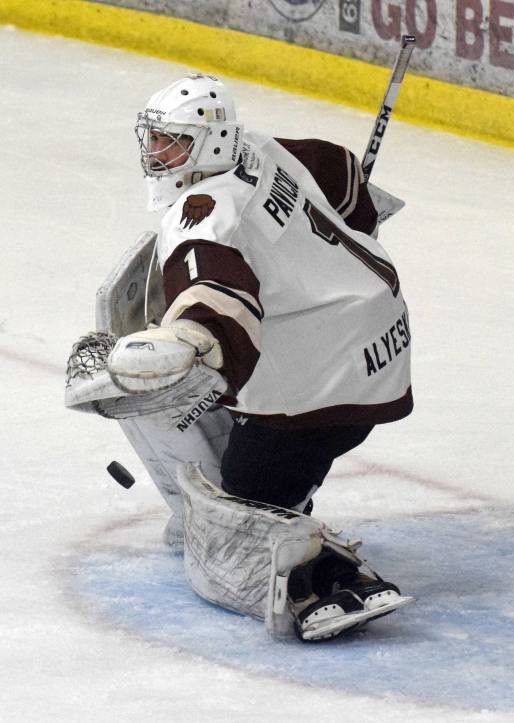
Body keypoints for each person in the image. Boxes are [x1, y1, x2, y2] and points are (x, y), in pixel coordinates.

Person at [67, 72, 414, 641]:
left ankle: (326, 573)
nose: (157, 153)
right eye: (154, 139)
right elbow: (342, 172)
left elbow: (219, 298)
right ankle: (293, 499)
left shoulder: (201, 215)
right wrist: (352, 233)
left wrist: (186, 340)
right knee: (278, 458)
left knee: (242, 510)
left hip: (326, 378)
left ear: (209, 143)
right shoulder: (261, 149)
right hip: (380, 331)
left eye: (173, 141)